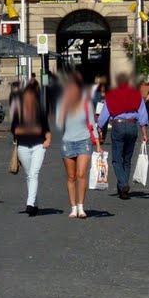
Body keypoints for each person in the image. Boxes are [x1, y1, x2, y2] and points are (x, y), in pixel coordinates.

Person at [97, 72, 149, 200]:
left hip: (118, 126)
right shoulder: (136, 94)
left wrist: (99, 127)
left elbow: (105, 114)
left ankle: (124, 183)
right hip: (132, 126)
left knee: (116, 159)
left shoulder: (112, 95)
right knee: (127, 158)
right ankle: (123, 189)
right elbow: (143, 114)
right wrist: (144, 133)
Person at [57, 73, 101, 219]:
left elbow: (93, 124)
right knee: (71, 176)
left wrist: (98, 144)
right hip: (67, 142)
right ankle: (73, 207)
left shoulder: (86, 102)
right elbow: (58, 123)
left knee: (81, 174)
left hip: (84, 140)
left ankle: (81, 207)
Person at [10, 80, 51, 216]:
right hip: (23, 146)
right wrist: (33, 129)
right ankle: (35, 204)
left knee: (33, 174)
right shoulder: (18, 112)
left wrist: (48, 138)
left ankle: (29, 203)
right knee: (29, 176)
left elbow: (45, 129)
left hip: (39, 145)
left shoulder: (40, 111)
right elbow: (15, 131)